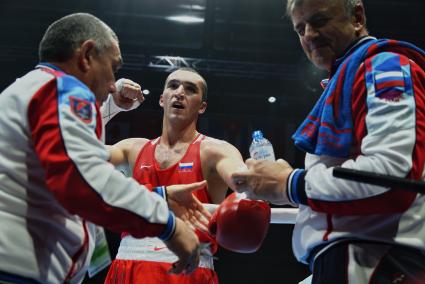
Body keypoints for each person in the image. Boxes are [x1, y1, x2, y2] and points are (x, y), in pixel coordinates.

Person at [0, 13, 208, 284]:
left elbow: (61, 171)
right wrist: (168, 225)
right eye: (113, 67)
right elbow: (82, 182)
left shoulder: (35, 90)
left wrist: (160, 195)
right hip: (19, 270)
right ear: (87, 55)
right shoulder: (64, 91)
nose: (113, 84)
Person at [232, 0, 425, 283]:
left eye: (319, 21)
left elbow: (394, 177)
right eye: (300, 28)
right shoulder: (351, 74)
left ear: (357, 16)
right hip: (358, 259)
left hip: (374, 259)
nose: (309, 35)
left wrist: (288, 184)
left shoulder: (385, 66)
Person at [103, 67, 251, 283]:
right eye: (173, 86)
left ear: (202, 107)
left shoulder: (215, 150)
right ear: (162, 99)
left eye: (190, 89)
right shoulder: (132, 149)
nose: (180, 92)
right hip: (128, 266)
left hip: (187, 272)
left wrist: (256, 181)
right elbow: (76, 154)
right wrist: (110, 106)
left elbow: (245, 182)